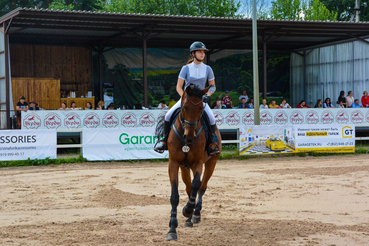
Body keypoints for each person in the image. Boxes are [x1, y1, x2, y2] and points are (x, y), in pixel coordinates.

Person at [154, 41, 219, 156]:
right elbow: (179, 87)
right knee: (168, 115)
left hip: (201, 101)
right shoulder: (186, 68)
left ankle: (211, 144)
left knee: (212, 119)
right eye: (199, 52)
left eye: (203, 52)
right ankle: (163, 141)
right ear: (193, 54)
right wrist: (184, 98)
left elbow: (212, 86)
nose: (202, 54)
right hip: (186, 100)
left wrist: (208, 95)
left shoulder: (208, 68)